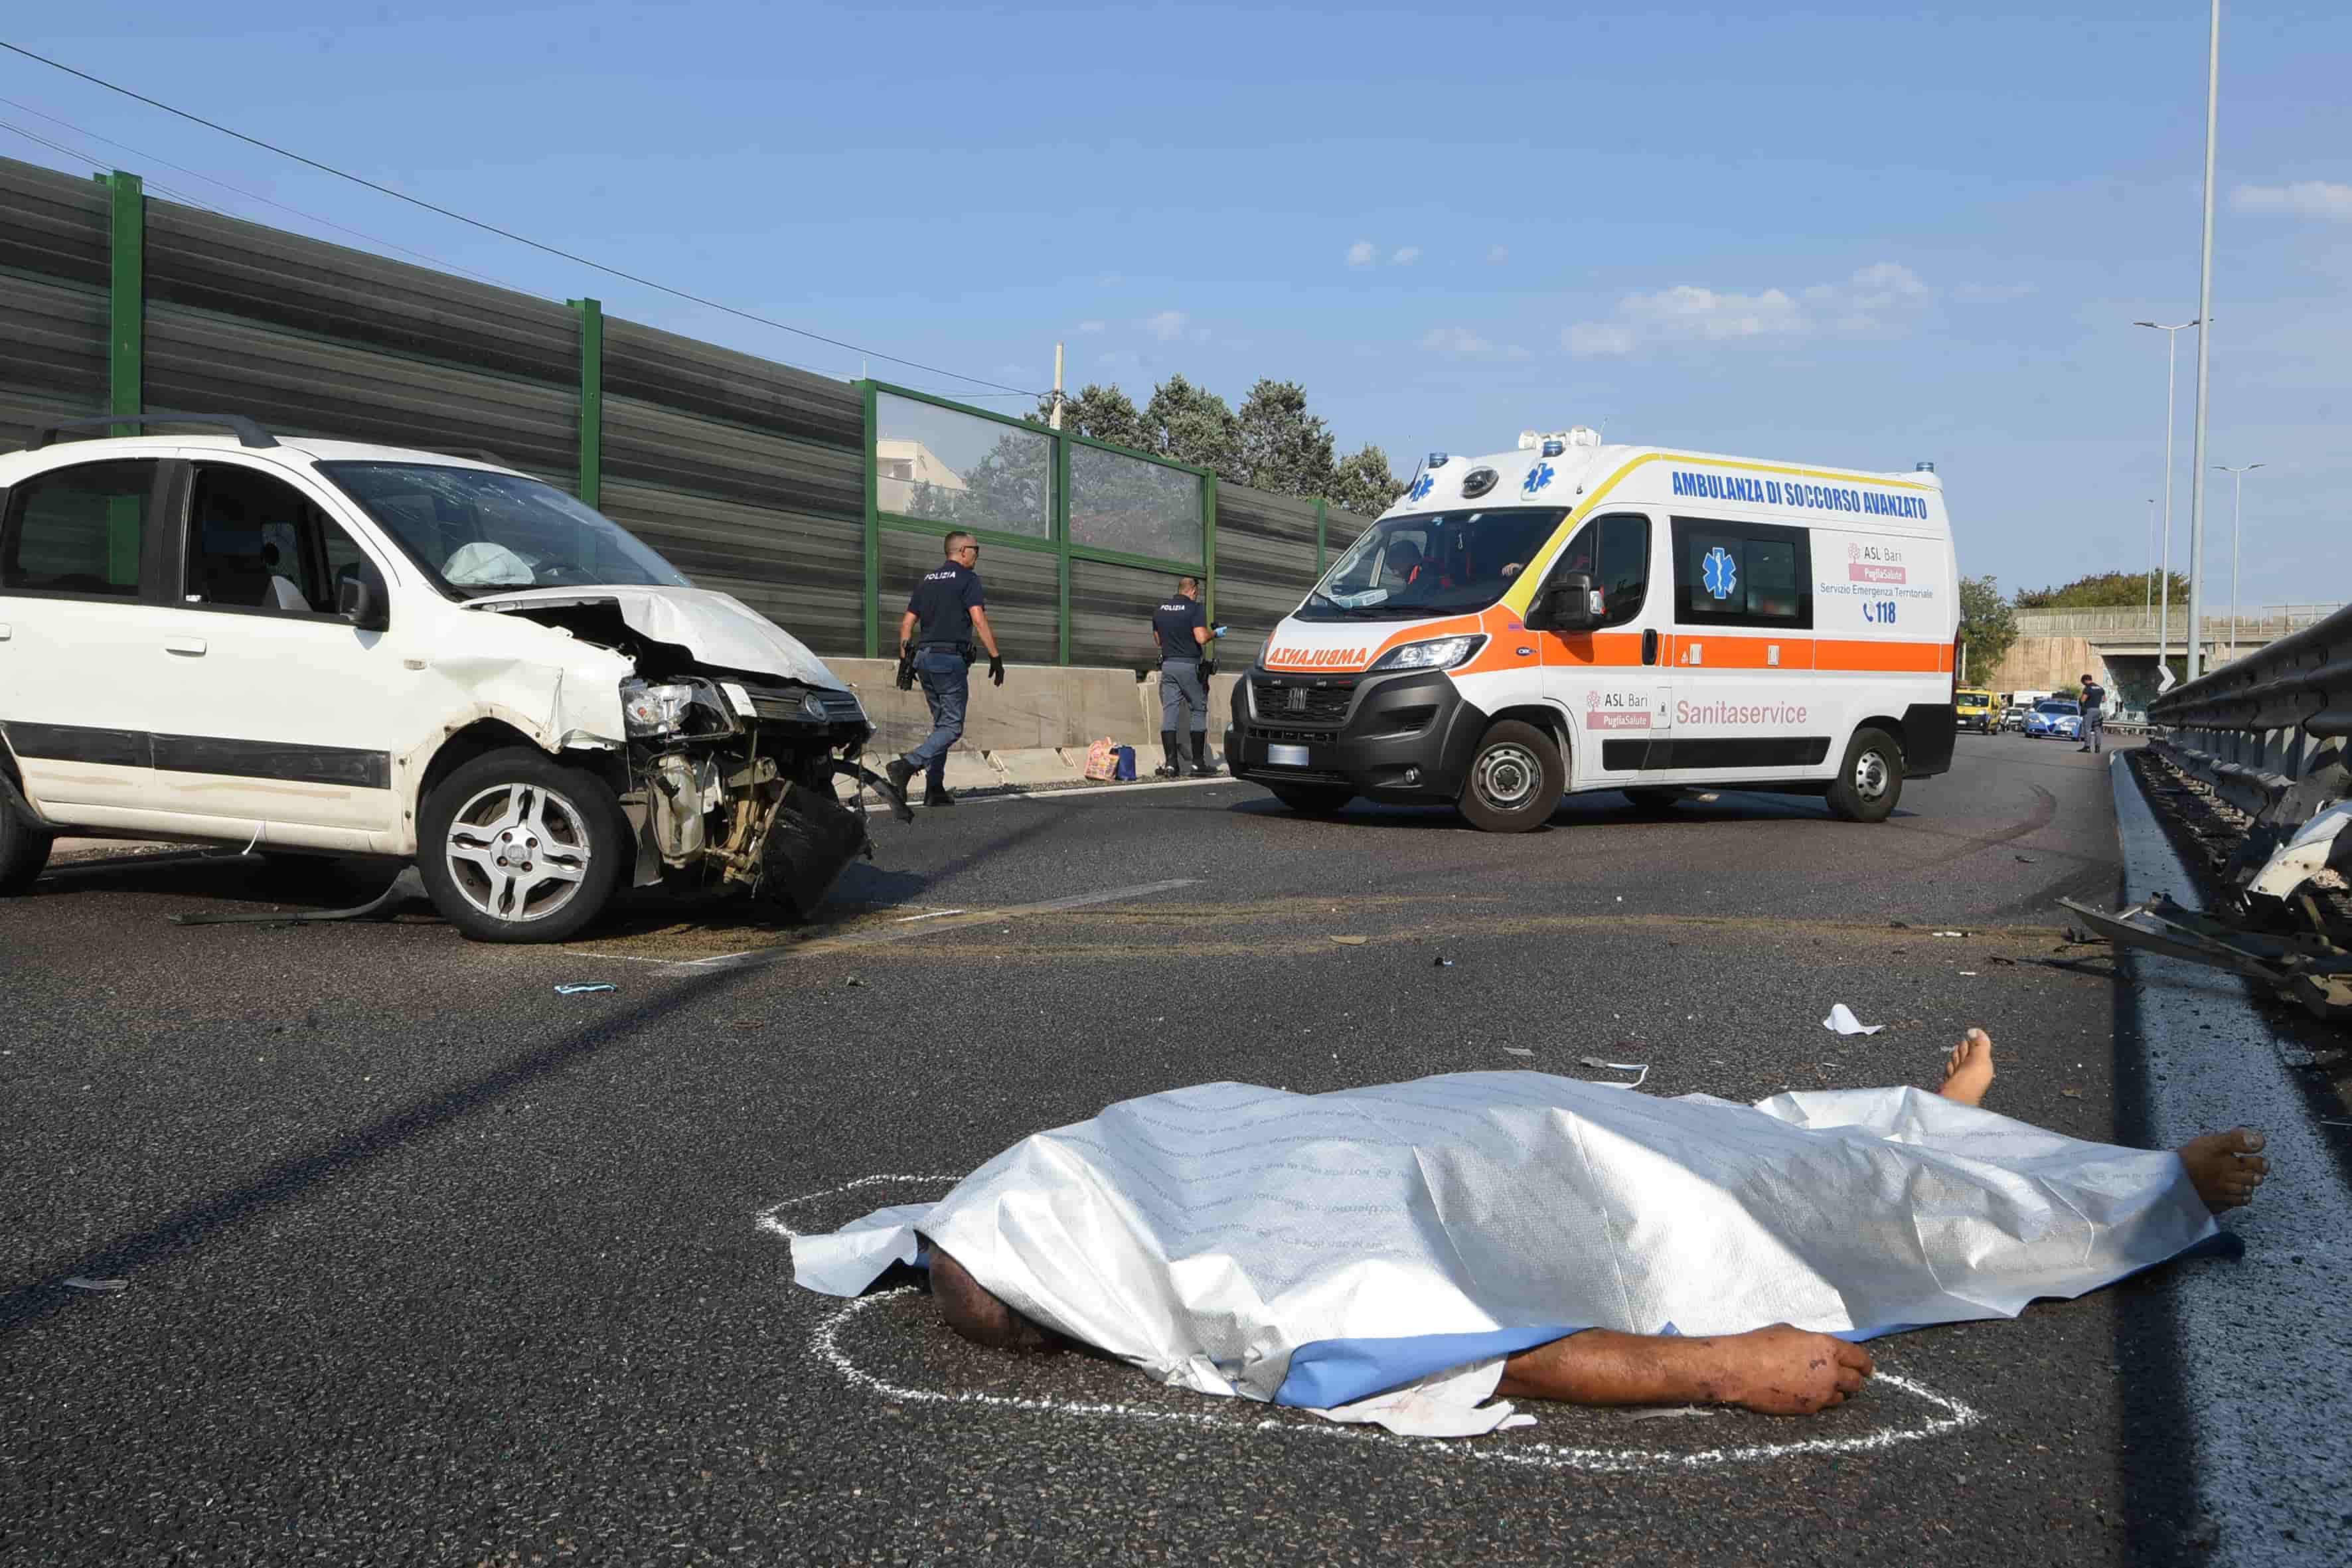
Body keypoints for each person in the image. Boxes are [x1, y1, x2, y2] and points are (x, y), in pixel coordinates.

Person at [799, 1031, 2268, 1432]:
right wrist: (1721, 1362)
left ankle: (1920, 1121)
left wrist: (1716, 1371)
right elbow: (1475, 1342)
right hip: (1516, 1164)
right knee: (1777, 1197)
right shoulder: (1230, 1290)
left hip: (1472, 1118)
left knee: (1735, 1136)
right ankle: (2130, 1184)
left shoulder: (1130, 1153)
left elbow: (1477, 1352)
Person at [885, 532, 1004, 808]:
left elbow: (906, 626)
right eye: (976, 549)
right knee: (952, 727)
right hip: (949, 660)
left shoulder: (926, 581)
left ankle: (934, 789)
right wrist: (995, 657)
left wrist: (906, 661)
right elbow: (978, 620)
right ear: (963, 550)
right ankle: (907, 765)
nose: (978, 554)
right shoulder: (968, 579)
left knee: (941, 726)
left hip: (923, 659)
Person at [1150, 577, 1217, 778]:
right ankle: (1198, 764)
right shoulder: (1195, 608)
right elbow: (1201, 638)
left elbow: (1158, 641)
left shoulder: (1160, 609)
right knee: (1198, 708)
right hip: (1189, 666)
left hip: (1168, 666)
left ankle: (1171, 765)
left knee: (1170, 712)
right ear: (1193, 591)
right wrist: (1216, 633)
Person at [2078, 670, 2108, 753]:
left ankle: (2087, 747)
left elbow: (2082, 700)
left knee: (2087, 729)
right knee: (2097, 729)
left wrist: (2082, 704)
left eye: (2083, 682)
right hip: (2098, 710)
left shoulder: (2088, 688)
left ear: (2085, 681)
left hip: (2089, 710)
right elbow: (2104, 700)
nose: (2083, 684)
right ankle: (2097, 748)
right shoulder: (2100, 688)